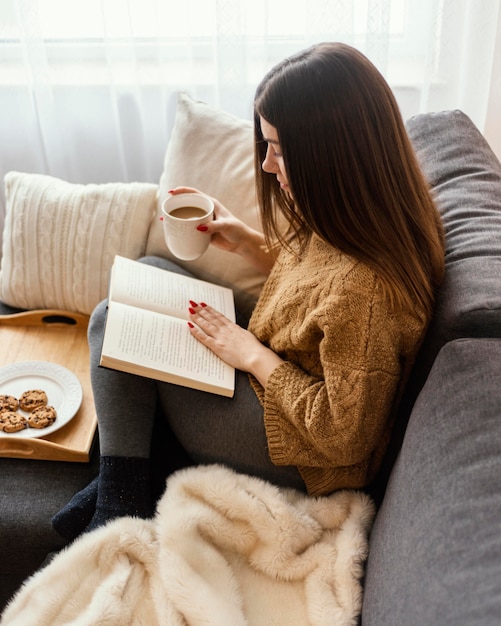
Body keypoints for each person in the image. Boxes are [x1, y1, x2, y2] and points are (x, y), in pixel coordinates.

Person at [52, 42, 444, 540]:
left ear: (331, 155)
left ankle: (120, 497)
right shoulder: (367, 218)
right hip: (271, 375)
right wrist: (247, 243)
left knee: (113, 322)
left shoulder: (366, 295)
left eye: (279, 150)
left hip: (294, 449)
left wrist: (252, 355)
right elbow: (316, 287)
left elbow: (342, 438)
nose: (266, 166)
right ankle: (140, 467)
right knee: (150, 270)